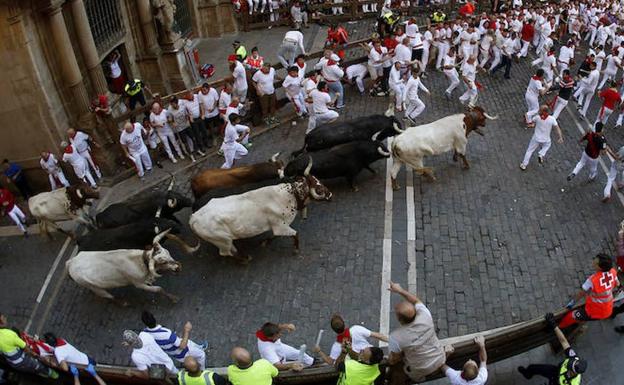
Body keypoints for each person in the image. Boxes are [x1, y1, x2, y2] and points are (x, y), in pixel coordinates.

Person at [386, 281, 447, 384]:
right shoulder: (425, 315)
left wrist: (390, 360)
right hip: (440, 357)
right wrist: (400, 290)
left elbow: (395, 359)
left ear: (400, 319)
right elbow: (416, 301)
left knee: (413, 374)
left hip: (422, 369)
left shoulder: (395, 337)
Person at [518, 313, 587, 384]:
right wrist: (554, 325)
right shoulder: (573, 358)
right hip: (555, 371)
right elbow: (564, 342)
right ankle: (528, 374)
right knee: (533, 367)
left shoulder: (573, 383)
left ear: (573, 372)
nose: (569, 363)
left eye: (569, 366)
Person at [559, 253, 620, 329]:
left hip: (596, 311)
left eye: (595, 262)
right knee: (582, 317)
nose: (593, 262)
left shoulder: (593, 280)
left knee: (572, 315)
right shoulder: (613, 271)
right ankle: (578, 322)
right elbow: (617, 284)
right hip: (607, 308)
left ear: (600, 268)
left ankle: (559, 327)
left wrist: (572, 303)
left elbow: (581, 293)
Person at [141, 311, 207, 370]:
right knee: (202, 355)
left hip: (173, 352)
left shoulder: (145, 333)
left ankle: (199, 347)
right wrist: (187, 330)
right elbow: (183, 346)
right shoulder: (166, 334)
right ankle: (201, 370)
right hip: (183, 352)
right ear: (154, 318)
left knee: (190, 342)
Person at [313, 314, 387, 365]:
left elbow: (330, 362)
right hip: (374, 356)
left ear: (333, 330)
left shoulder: (336, 346)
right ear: (344, 323)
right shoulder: (356, 329)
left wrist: (319, 351)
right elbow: (379, 336)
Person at [0, 313, 58, 379]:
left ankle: (40, 372)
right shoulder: (9, 334)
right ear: (0, 323)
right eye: (3, 318)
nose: (5, 318)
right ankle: (52, 374)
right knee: (37, 365)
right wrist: (35, 355)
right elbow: (27, 349)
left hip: (12, 363)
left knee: (30, 369)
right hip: (23, 360)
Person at [520, 105, 563, 170]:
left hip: (536, 138)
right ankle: (541, 154)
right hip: (546, 139)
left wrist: (530, 124)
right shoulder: (552, 119)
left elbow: (532, 123)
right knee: (547, 145)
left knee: (529, 150)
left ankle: (524, 164)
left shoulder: (537, 117)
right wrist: (560, 137)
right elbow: (557, 128)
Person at [167, 96, 198, 162]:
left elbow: (187, 114)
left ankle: (197, 150)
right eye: (171, 104)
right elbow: (169, 119)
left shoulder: (182, 106)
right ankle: (191, 155)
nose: (172, 105)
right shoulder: (170, 110)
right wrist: (172, 122)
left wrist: (188, 120)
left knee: (193, 138)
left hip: (186, 125)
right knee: (185, 142)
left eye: (173, 103)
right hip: (180, 129)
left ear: (176, 102)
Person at [198, 82, 221, 148]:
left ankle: (220, 134)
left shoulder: (213, 91)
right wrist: (202, 114)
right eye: (202, 90)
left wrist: (213, 108)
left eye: (205, 90)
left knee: (218, 123)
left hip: (215, 111)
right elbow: (201, 104)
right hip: (207, 113)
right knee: (210, 126)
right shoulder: (200, 94)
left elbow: (216, 100)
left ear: (208, 89)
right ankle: (214, 138)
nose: (203, 92)